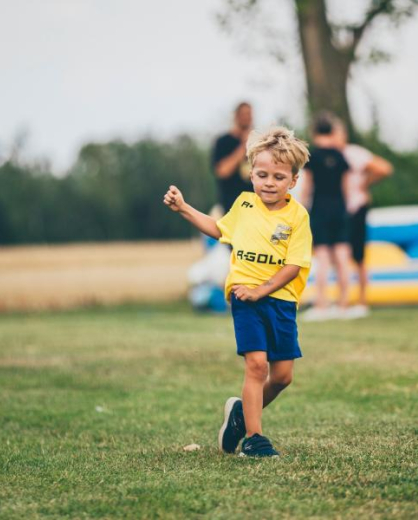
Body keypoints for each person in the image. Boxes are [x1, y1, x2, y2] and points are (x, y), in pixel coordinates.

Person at [164, 126, 311, 458]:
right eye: (262, 175)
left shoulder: (298, 217)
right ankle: (254, 439)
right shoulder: (244, 205)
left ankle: (240, 416)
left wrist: (264, 290)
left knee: (283, 377)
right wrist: (185, 208)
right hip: (245, 298)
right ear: (251, 175)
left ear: (293, 180)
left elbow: (293, 266)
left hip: (281, 301)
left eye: (278, 176)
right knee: (257, 366)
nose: (269, 182)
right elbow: (219, 230)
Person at [334, 121, 393, 318]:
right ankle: (342, 299)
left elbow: (384, 168)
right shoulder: (330, 157)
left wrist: (364, 185)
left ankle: (362, 300)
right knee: (340, 254)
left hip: (356, 206)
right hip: (340, 210)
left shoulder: (353, 153)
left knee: (358, 255)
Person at [299, 112, 352, 321]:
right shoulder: (341, 156)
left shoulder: (313, 156)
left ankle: (321, 305)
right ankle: (344, 305)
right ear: (332, 131)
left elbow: (307, 187)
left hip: (320, 208)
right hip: (339, 208)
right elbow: (346, 187)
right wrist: (345, 208)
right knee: (342, 257)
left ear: (314, 132)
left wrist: (302, 208)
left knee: (321, 257)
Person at [211, 102, 254, 212]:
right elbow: (222, 171)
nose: (247, 118)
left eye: (249, 114)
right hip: (230, 206)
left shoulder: (257, 142)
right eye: (243, 114)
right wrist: (243, 147)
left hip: (255, 205)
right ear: (236, 116)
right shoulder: (223, 142)